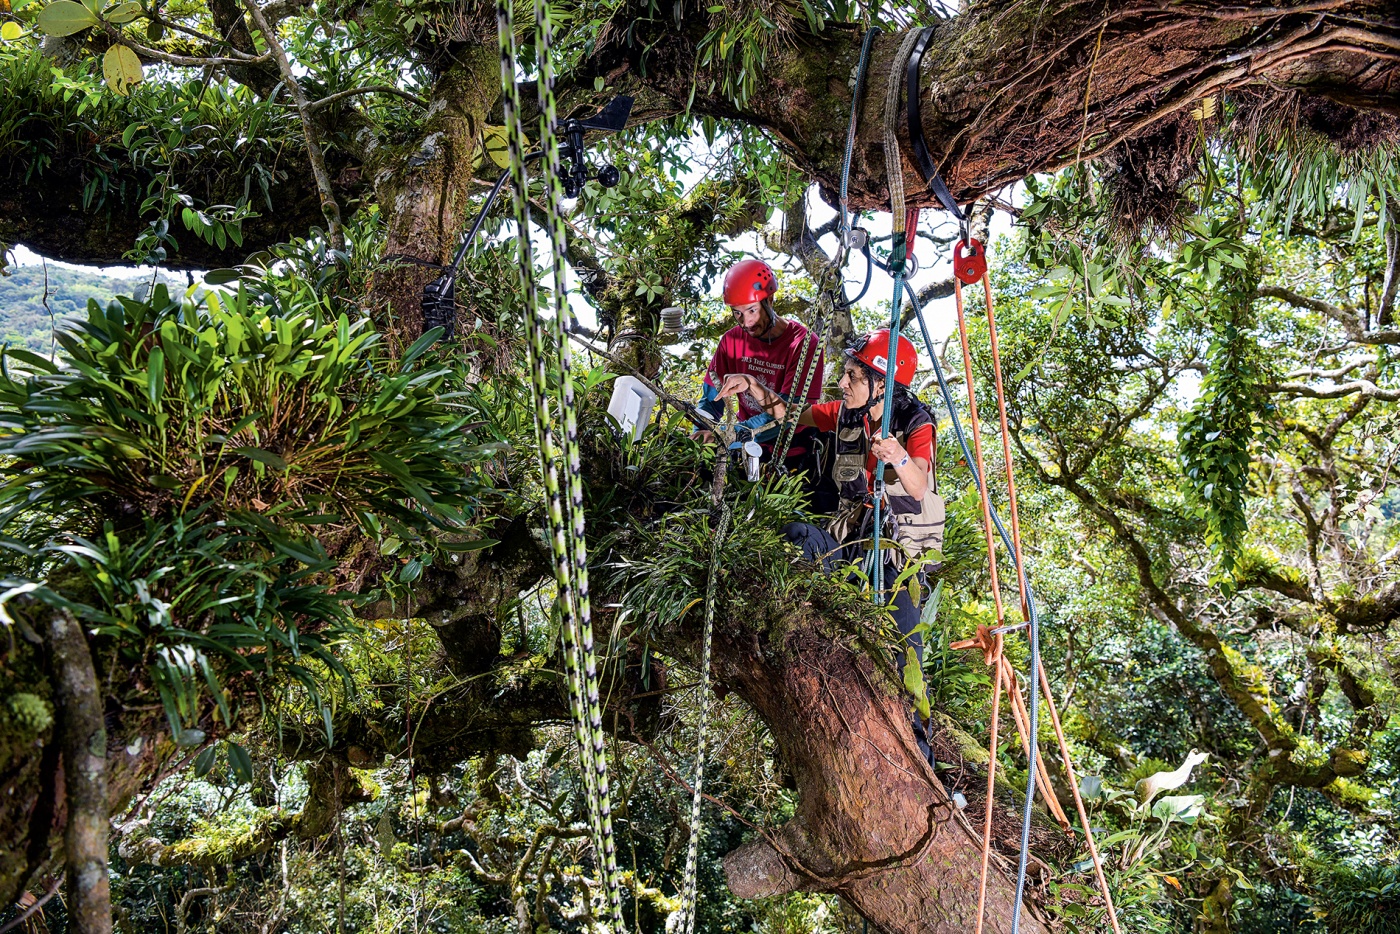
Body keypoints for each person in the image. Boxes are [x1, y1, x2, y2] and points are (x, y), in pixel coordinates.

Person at [715, 328, 945, 764]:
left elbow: (917, 484)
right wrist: (751, 385)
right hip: (848, 537)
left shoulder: (916, 421)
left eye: (852, 376)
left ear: (882, 385)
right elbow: (791, 414)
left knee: (905, 651)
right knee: (797, 536)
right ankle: (822, 649)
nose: (842, 382)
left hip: (892, 553)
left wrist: (894, 456)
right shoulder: (845, 414)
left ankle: (921, 755)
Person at [695, 258, 826, 486]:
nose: (746, 322)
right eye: (737, 313)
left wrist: (729, 435)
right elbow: (710, 401)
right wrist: (700, 432)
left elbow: (785, 415)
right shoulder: (731, 341)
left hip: (792, 452)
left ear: (770, 300)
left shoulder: (803, 344)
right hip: (743, 446)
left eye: (752, 310)